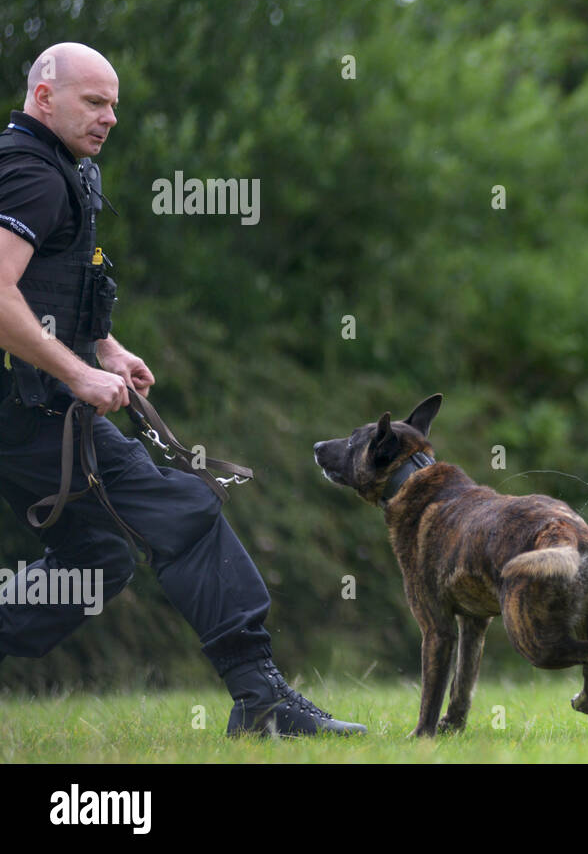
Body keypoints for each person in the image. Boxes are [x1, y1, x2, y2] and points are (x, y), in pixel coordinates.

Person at [0, 42, 364, 737]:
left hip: (33, 402)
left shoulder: (64, 171)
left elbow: (59, 285)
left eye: (114, 105)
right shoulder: (30, 175)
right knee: (185, 509)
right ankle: (261, 698)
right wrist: (76, 372)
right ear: (45, 97)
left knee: (97, 557)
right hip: (30, 408)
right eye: (94, 101)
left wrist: (104, 345)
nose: (109, 117)